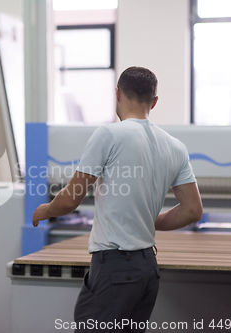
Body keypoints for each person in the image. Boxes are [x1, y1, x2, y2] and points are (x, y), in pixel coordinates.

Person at [31, 66, 203, 333]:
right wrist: (147, 220)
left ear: (117, 94)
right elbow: (192, 210)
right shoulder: (175, 147)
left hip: (114, 269)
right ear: (154, 101)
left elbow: (70, 200)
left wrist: (45, 210)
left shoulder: (109, 135)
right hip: (148, 269)